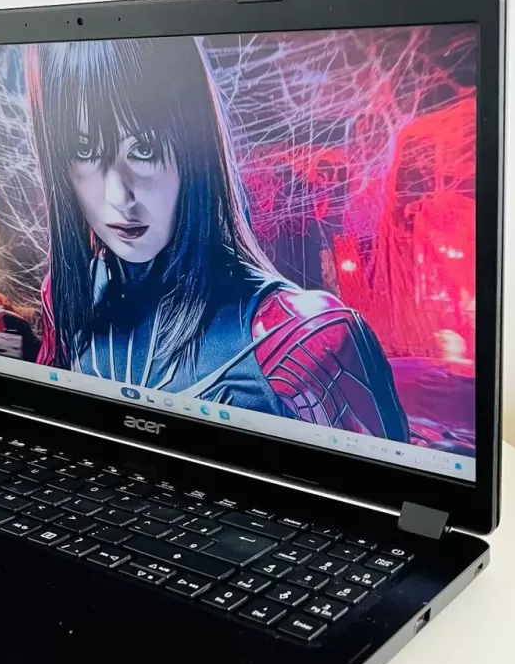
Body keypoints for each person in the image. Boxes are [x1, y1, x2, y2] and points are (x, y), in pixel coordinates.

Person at [25, 37, 409, 441]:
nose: (117, 197)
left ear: (194, 150)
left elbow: (379, 478)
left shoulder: (305, 338)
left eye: (145, 148)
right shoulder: (67, 299)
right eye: (84, 149)